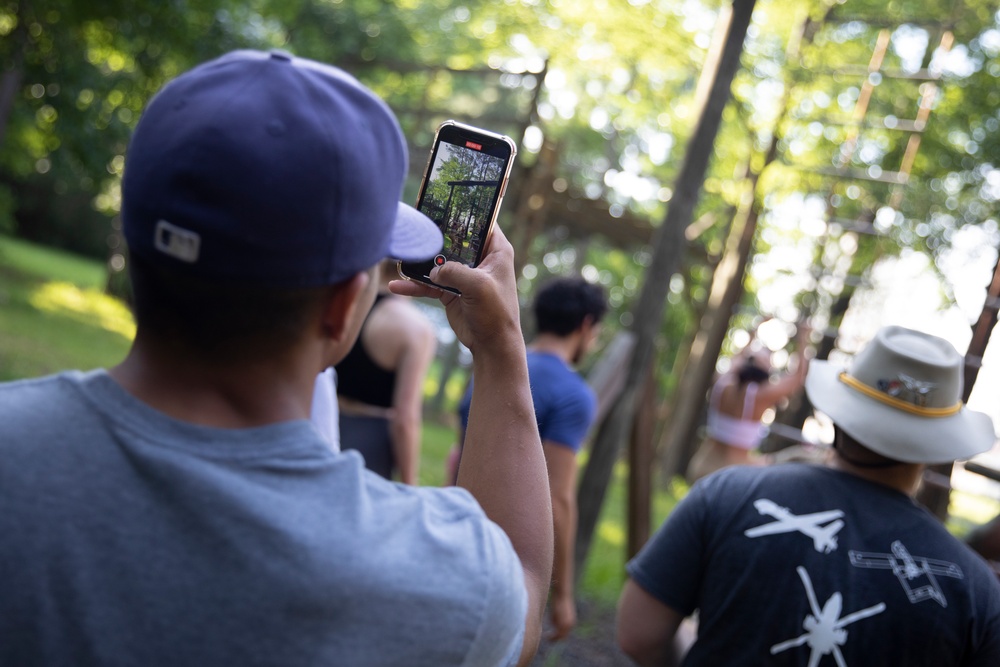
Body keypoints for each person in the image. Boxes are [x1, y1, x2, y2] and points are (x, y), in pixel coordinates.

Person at [0, 50, 553, 666]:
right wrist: (501, 349)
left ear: (134, 247)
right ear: (342, 307)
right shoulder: (419, 570)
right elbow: (522, 581)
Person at [617, 325, 1000, 666]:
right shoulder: (980, 593)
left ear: (838, 414)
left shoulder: (725, 494)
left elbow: (638, 634)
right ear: (938, 447)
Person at [457, 276, 608, 641]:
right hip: (511, 559)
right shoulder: (574, 395)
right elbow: (558, 498)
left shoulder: (492, 366)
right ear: (586, 325)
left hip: (458, 534)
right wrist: (563, 594)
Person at [335, 259, 437, 484]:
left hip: (326, 426)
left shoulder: (344, 302)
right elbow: (405, 419)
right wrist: (410, 485)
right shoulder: (414, 328)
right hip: (370, 452)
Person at [686, 319, 811, 483]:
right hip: (733, 475)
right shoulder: (760, 396)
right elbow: (797, 378)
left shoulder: (722, 383)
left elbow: (737, 358)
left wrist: (755, 329)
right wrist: (803, 338)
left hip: (703, 465)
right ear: (765, 371)